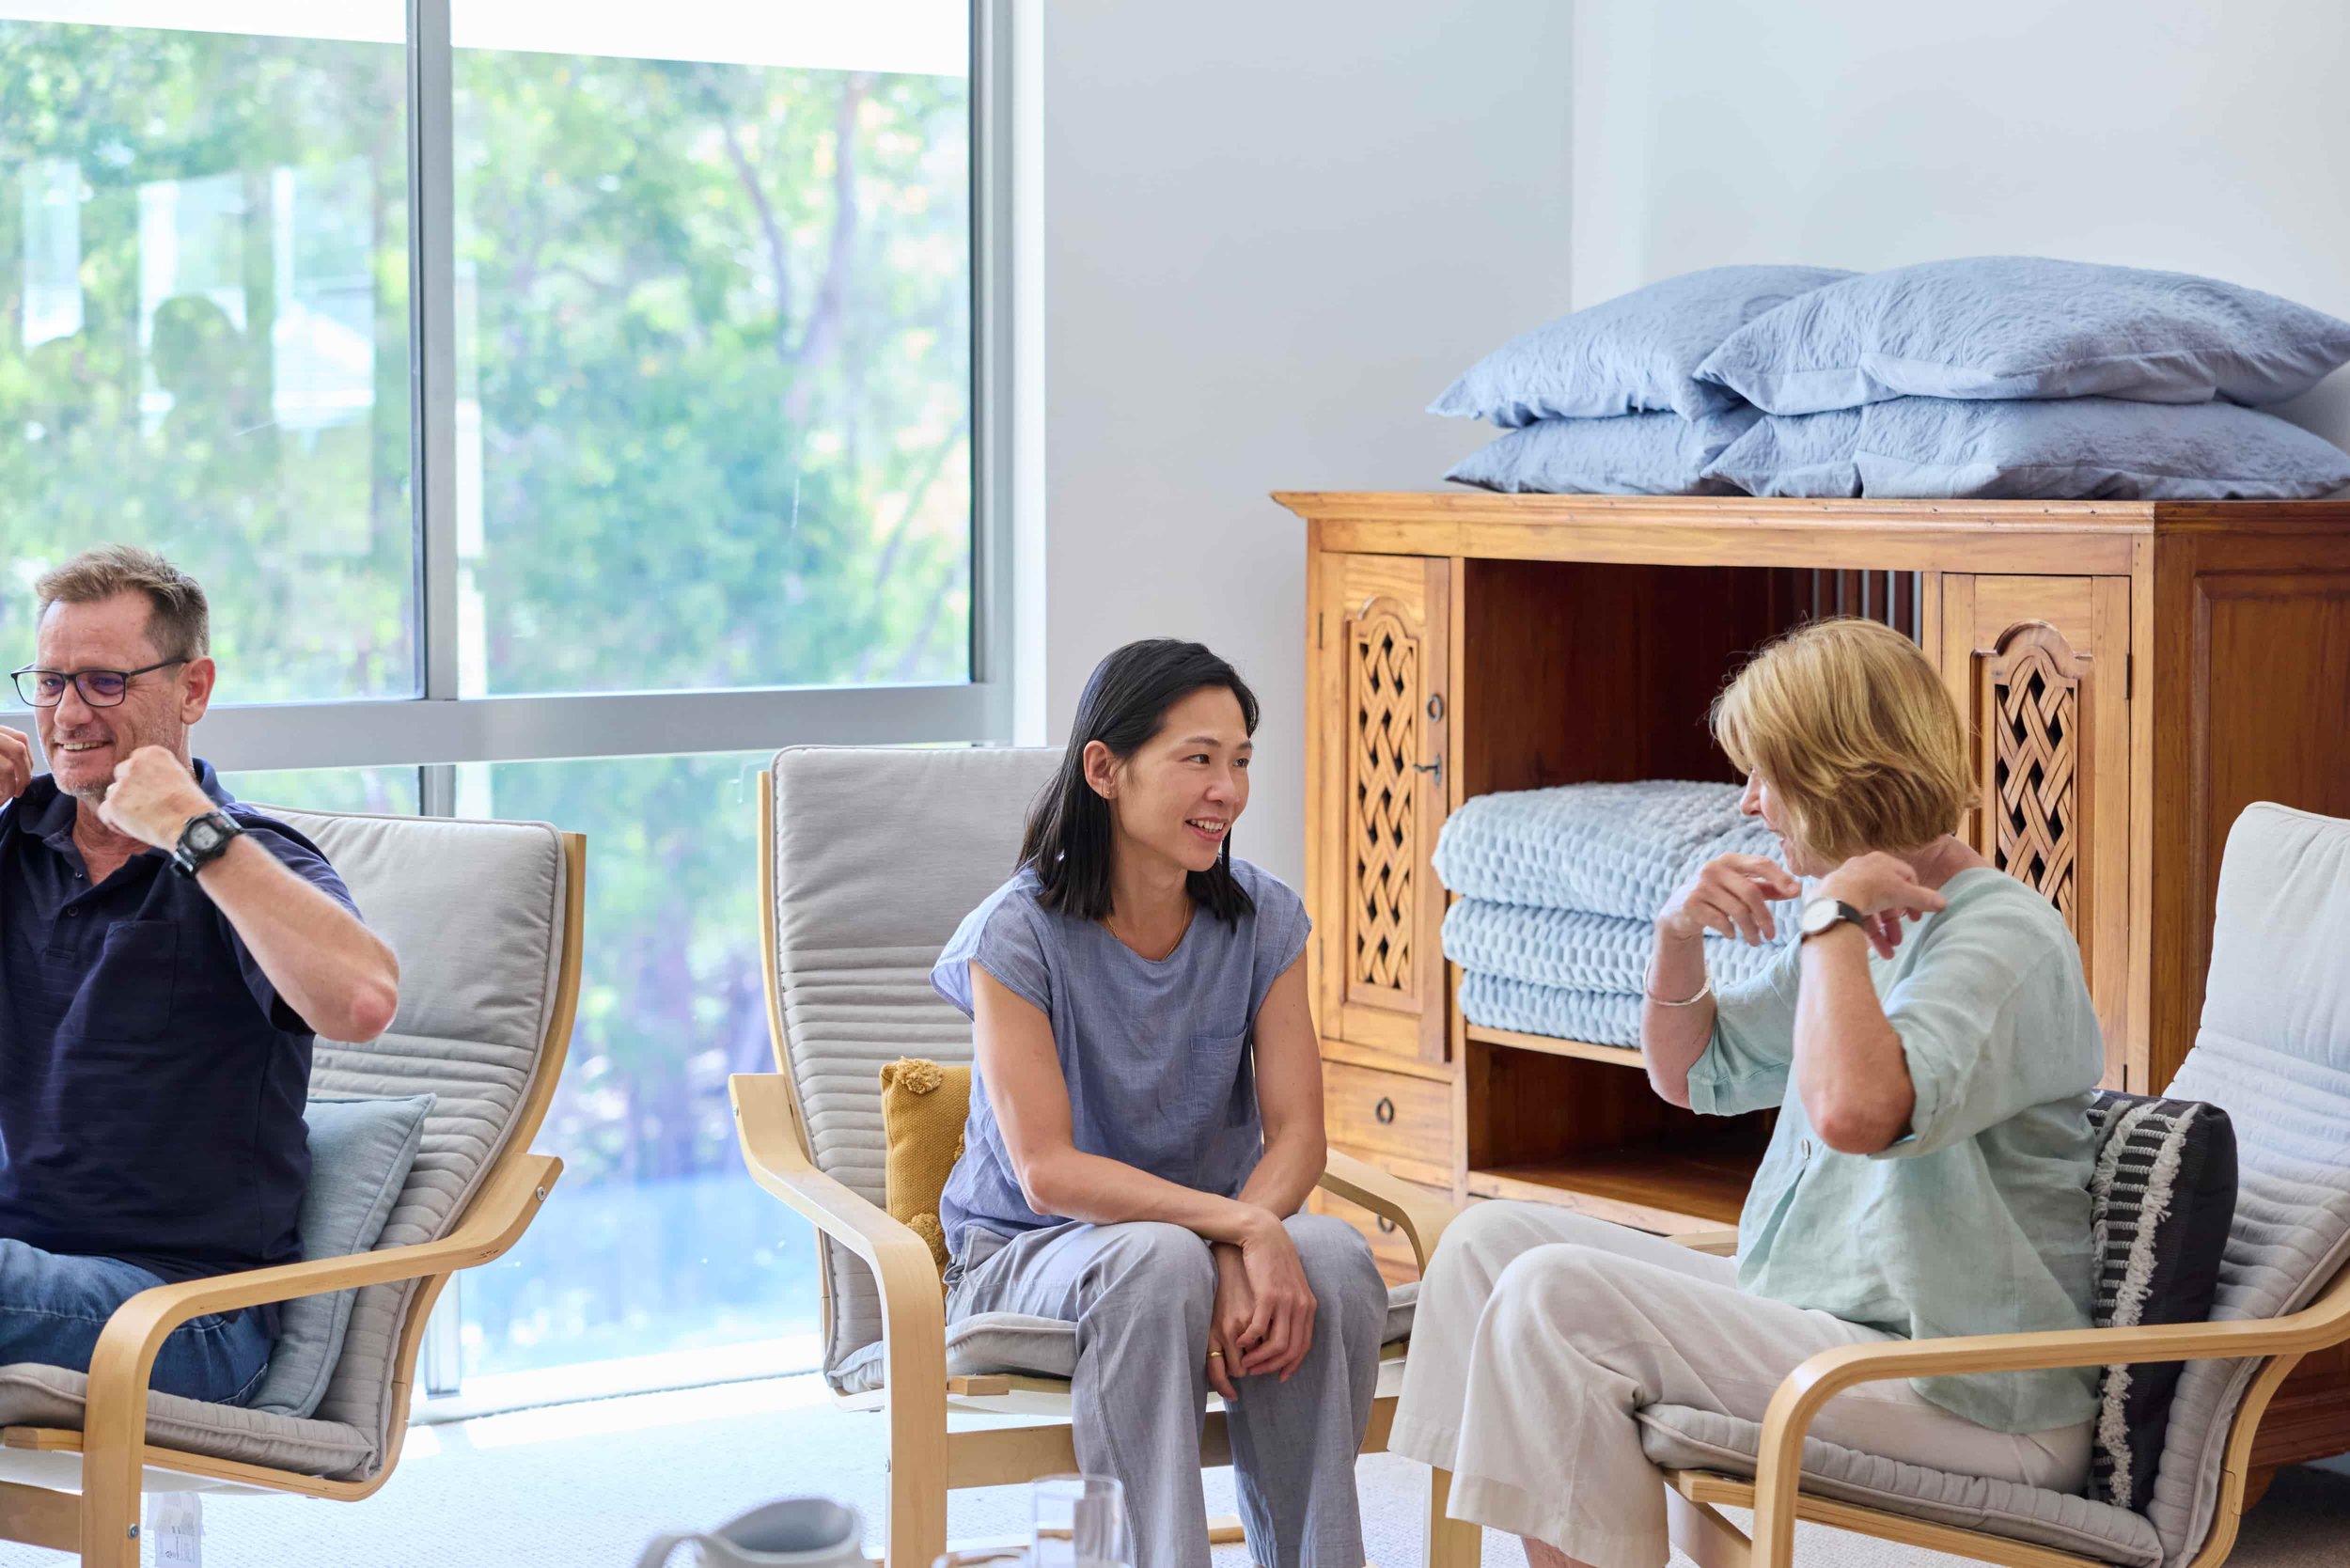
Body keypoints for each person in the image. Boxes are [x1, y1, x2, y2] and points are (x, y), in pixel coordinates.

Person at [1389, 617, 2104, 1568]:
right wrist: (1677, 932)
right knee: (1490, 1242)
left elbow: (1857, 1114)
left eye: (1768, 775)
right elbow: (1689, 1075)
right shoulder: (1855, 918)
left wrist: (1829, 923)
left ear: (1839, 772)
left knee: (1558, 1295)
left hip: (1963, 1385)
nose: (1749, 805)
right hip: (1821, 1320)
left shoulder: (1997, 939)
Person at [930, 639, 1388, 1568]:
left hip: (1197, 1239)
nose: (1227, 789)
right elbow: (1047, 1172)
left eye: (1240, 760)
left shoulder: (1265, 921)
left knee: (1333, 1256)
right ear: (1104, 768)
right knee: (1157, 1262)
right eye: (1197, 759)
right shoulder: (1012, 937)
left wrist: (1237, 1238)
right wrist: (1234, 1235)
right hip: (1033, 1256)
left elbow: (1299, 1134)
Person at [0, 546, 400, 1404]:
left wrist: (196, 832)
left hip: (185, 1312)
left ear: (193, 690)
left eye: (105, 682)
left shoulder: (246, 861)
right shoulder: (11, 842)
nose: (67, 713)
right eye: (50, 681)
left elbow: (363, 1001)